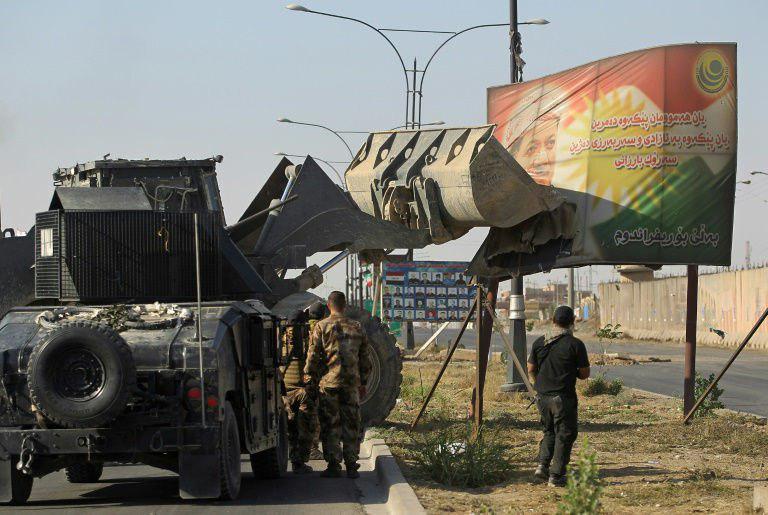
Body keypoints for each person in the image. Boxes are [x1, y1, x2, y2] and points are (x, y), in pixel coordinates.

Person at [305, 291, 370, 479]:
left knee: (330, 424)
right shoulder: (357, 327)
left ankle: (334, 465)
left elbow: (313, 357)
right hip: (351, 386)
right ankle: (351, 464)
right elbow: (364, 360)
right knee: (352, 423)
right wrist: (363, 382)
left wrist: (310, 380)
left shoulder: (321, 327)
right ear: (345, 305)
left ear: (328, 305)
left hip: (329, 385)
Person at [527, 305, 590, 487]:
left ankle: (542, 466)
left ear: (553, 321)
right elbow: (585, 373)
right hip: (563, 398)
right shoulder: (575, 344)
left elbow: (531, 368)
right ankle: (556, 476)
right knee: (565, 434)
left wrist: (539, 382)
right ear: (572, 323)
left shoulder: (540, 342)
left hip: (542, 397)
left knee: (549, 431)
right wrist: (573, 373)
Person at [281, 302, 325, 474]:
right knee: (306, 427)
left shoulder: (280, 337)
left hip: (284, 390)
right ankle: (301, 461)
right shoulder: (309, 336)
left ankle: (292, 459)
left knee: (290, 428)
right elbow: (316, 361)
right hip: (303, 391)